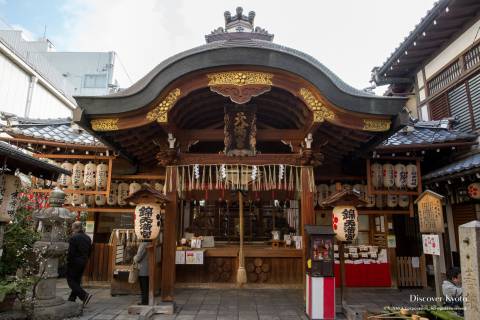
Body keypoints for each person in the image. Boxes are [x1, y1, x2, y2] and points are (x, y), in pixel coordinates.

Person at [66, 221, 92, 307]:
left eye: (72, 227)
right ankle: (72, 298)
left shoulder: (74, 238)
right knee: (76, 280)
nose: (71, 229)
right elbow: (90, 251)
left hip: (75, 261)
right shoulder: (87, 238)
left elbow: (71, 253)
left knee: (70, 280)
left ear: (75, 228)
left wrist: (68, 261)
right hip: (84, 261)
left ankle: (84, 295)